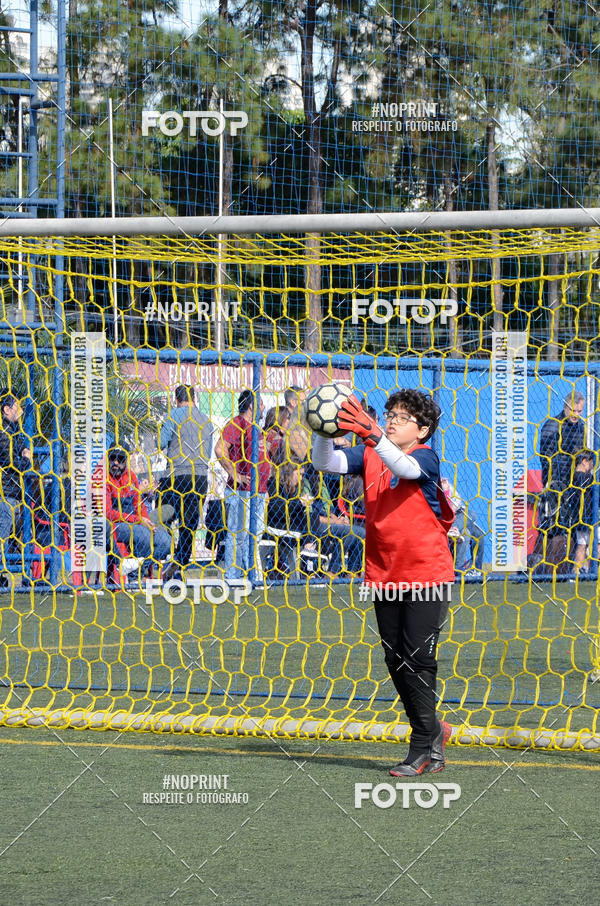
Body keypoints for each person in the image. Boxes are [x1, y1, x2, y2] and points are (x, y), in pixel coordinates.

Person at [311, 389, 455, 776]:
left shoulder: (425, 457)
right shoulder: (374, 453)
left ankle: (421, 746)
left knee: (418, 659)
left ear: (422, 429)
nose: (392, 419)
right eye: (389, 413)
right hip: (384, 575)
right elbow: (326, 463)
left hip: (427, 574)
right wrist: (322, 428)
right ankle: (434, 731)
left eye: (402, 417)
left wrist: (373, 432)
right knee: (395, 660)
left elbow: (405, 470)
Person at [215, 390, 271, 582]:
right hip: (242, 492)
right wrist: (234, 474)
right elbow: (220, 449)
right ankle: (233, 576)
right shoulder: (236, 424)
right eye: (261, 404)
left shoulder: (256, 428)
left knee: (255, 534)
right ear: (251, 406)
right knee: (238, 534)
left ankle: (250, 575)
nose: (264, 407)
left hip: (259, 491)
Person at [159, 385, 214, 580]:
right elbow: (207, 455)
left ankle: (163, 558)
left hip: (177, 476)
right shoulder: (206, 421)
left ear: (176, 400)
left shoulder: (174, 415)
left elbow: (161, 442)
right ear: (194, 399)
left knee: (163, 518)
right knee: (188, 525)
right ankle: (180, 566)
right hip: (199, 478)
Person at [101, 445, 171, 578]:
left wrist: (147, 521)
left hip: (134, 523)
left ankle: (135, 568)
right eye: (112, 458)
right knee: (143, 536)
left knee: (166, 542)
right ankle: (133, 576)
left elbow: (138, 505)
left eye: (120, 459)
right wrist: (138, 520)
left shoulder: (131, 476)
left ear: (126, 460)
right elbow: (108, 513)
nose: (115, 462)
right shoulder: (102, 478)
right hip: (115, 526)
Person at [0, 391, 31, 575]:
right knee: (3, 533)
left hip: (11, 493)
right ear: (6, 409)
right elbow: (11, 464)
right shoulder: (4, 435)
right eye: (17, 406)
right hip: (5, 493)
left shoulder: (13, 431)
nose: (21, 411)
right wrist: (26, 460)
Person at [557, 450, 595, 574]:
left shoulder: (573, 477)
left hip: (581, 517)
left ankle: (579, 571)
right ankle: (585, 569)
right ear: (584, 462)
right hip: (588, 517)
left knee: (582, 545)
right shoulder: (584, 478)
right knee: (592, 544)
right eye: (591, 464)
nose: (591, 467)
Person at [440, 477, 486, 579]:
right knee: (466, 533)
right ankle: (458, 571)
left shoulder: (448, 486)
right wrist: (444, 491)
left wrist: (447, 490)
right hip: (446, 520)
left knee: (479, 534)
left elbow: (457, 502)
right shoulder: (431, 487)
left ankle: (476, 569)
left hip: (459, 516)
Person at [539, 391, 586, 491]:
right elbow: (546, 456)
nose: (576, 415)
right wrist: (554, 480)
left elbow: (580, 452)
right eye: (572, 410)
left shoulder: (581, 427)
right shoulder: (553, 425)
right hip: (555, 478)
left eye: (579, 411)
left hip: (574, 479)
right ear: (565, 407)